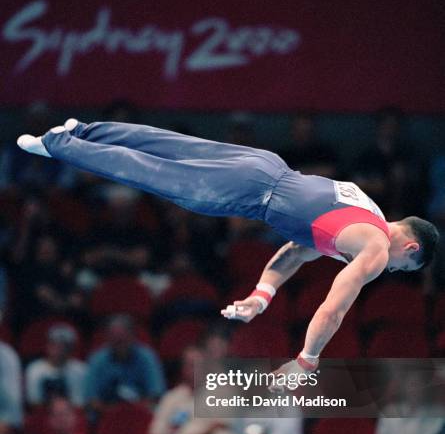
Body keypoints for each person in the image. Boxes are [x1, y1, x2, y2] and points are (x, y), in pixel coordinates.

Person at [18, 119, 439, 370]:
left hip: (265, 165)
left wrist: (261, 296)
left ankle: (79, 129)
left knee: (166, 144)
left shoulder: (364, 210)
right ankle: (60, 145)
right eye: (402, 269)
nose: (391, 270)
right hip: (252, 193)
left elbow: (294, 251)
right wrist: (307, 360)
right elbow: (335, 305)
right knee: (150, 172)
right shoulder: (377, 248)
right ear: (411, 250)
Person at [85, 314, 166, 406]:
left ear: (132, 336)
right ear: (107, 338)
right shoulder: (97, 360)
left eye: (122, 340)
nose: (119, 345)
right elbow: (91, 399)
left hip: (141, 412)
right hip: (107, 414)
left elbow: (156, 395)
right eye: (114, 340)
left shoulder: (147, 357)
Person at [25, 324, 87, 407]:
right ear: (47, 346)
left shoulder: (81, 370)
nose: (58, 349)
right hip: (42, 415)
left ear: (71, 348)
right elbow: (34, 401)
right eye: (54, 344)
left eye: (63, 346)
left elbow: (79, 403)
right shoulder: (34, 369)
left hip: (71, 415)